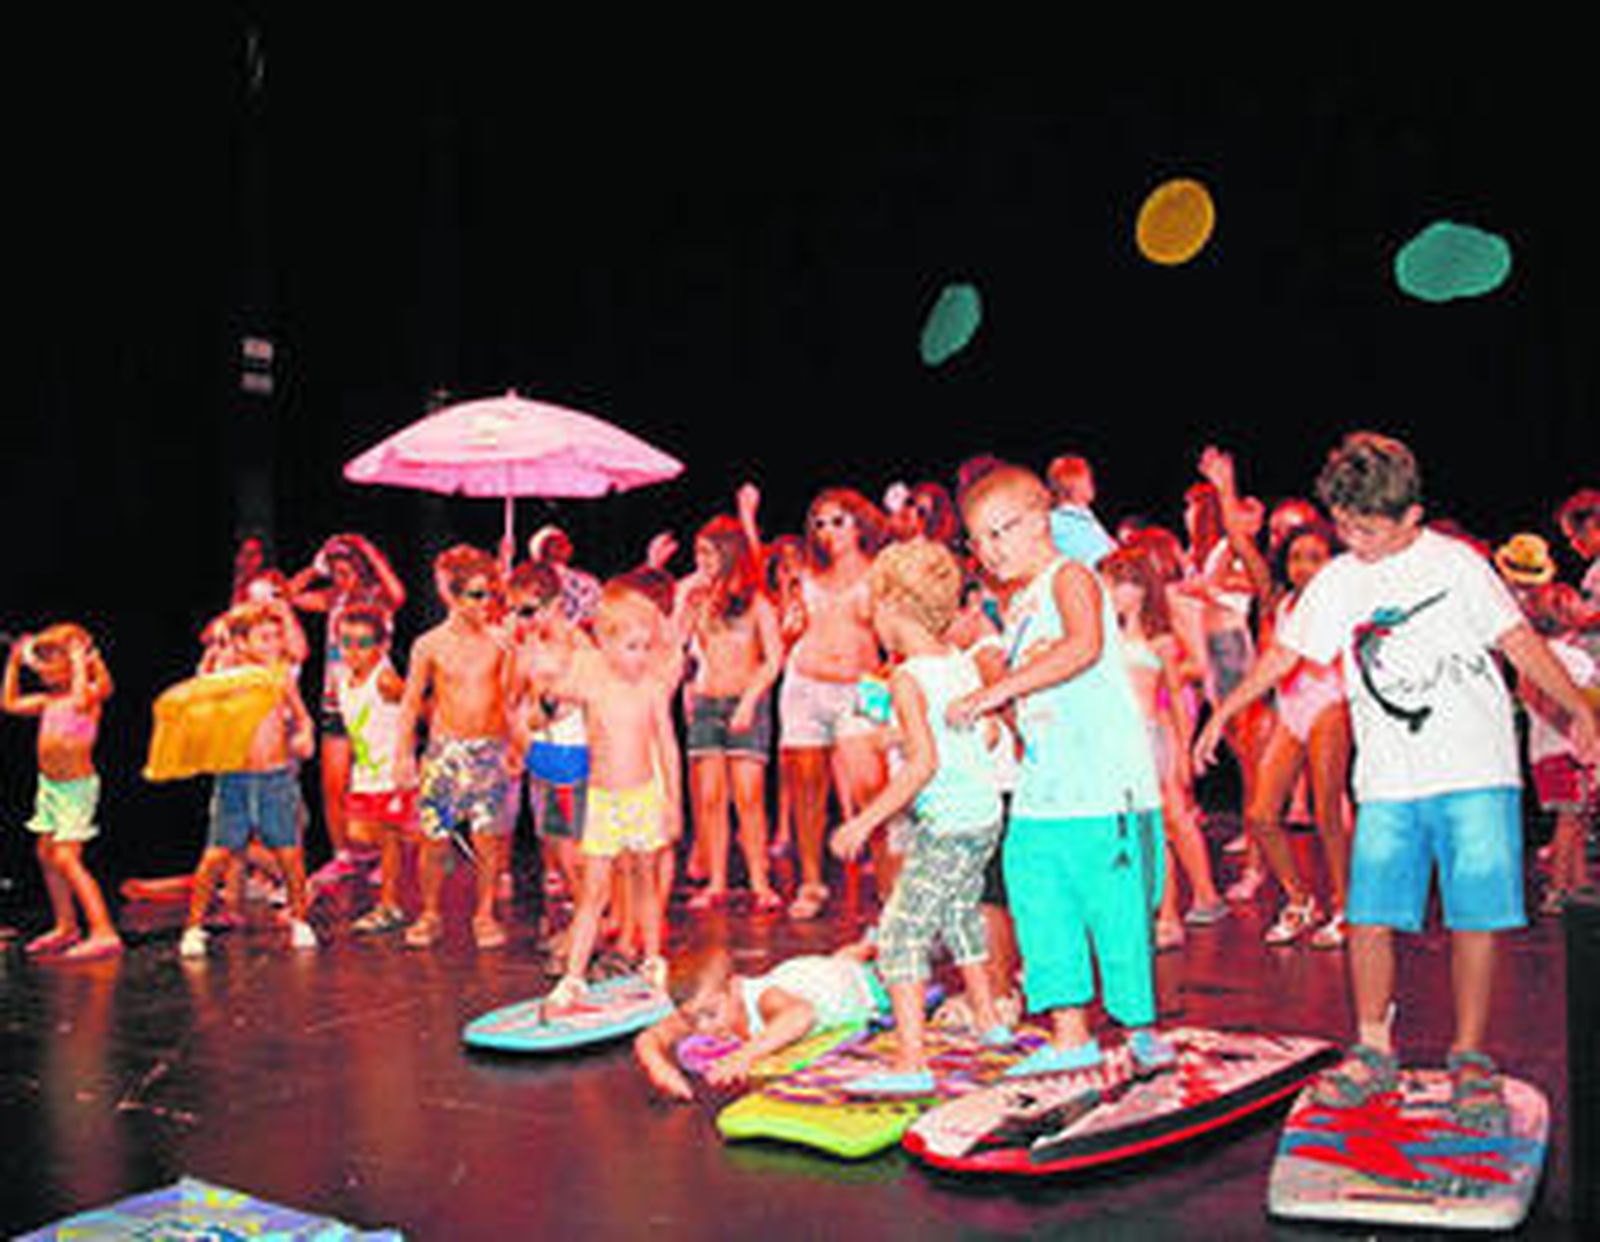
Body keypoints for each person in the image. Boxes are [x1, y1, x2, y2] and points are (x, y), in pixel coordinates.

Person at [1195, 432, 1600, 1131]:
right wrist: (1227, 709)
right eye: (1344, 526)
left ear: (1411, 516)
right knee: (1369, 914)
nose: (1354, 540)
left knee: (1477, 917)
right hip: (1388, 779)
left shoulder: (1459, 567)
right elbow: (1284, 654)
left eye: (1368, 529)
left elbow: (1518, 641)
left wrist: (1578, 710)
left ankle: (1470, 1054)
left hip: (1475, 772)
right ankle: (1373, 1047)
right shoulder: (1340, 579)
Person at [951, 463, 1173, 1077]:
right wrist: (1003, 713)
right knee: (1041, 905)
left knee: (1117, 913)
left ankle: (1141, 1030)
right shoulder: (1018, 604)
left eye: (1001, 531)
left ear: (1040, 520)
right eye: (979, 539)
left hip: (1105, 792)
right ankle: (1069, 1033)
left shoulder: (1071, 577)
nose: (990, 550)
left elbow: (1083, 647)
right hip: (1043, 793)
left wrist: (997, 691)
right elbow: (1038, 696)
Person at [826, 538, 1014, 1092]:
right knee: (958, 912)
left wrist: (865, 820)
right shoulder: (959, 662)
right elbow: (982, 729)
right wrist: (900, 735)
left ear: (894, 608)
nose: (873, 622)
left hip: (949, 825)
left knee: (900, 936)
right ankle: (988, 1018)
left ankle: (910, 1064)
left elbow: (924, 764)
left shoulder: (907, 678)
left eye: (875, 610)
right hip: (983, 818)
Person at [1202, 447, 1350, 948]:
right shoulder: (1277, 600)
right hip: (1291, 711)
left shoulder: (1341, 600)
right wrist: (1224, 486)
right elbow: (1242, 543)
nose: (1304, 566)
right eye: (1296, 558)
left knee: (1328, 812)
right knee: (1262, 815)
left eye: (1315, 558)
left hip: (1330, 706)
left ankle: (1343, 906)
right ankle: (1300, 898)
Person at [537, 580, 683, 1003]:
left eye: (646, 647)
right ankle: (573, 977)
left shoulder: (652, 688)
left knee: (644, 880)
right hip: (603, 801)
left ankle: (653, 960)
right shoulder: (592, 682)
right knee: (594, 891)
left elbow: (667, 747)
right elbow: (551, 691)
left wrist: (672, 802)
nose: (641, 656)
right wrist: (549, 676)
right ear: (606, 644)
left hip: (642, 797)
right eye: (632, 647)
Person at [1099, 545, 1224, 951]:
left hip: (1146, 737)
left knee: (1157, 830)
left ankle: (1168, 914)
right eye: (1111, 583)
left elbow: (1175, 699)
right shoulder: (1102, 638)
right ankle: (1139, 913)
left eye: (1123, 583)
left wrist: (1183, 751)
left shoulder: (1160, 641)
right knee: (1125, 832)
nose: (1114, 592)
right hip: (1111, 741)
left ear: (1141, 589)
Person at [179, 603, 318, 957]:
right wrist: (217, 654)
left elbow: (303, 717)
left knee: (289, 853)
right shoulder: (227, 677)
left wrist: (304, 734)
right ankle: (193, 927)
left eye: (277, 636)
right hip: (235, 779)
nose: (275, 644)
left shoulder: (281, 677)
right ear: (243, 643)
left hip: (276, 777)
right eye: (264, 638)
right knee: (216, 854)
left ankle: (300, 920)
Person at [394, 545, 515, 951]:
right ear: (454, 595)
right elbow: (411, 702)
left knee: (488, 839)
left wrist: (516, 743)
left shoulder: (501, 643)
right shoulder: (429, 644)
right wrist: (403, 754)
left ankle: (485, 913)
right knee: (434, 839)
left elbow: (512, 698)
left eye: (491, 595)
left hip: (489, 751)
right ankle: (430, 912)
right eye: (476, 595)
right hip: (445, 752)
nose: (485, 604)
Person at [776, 487, 889, 919]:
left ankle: (888, 884)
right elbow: (791, 630)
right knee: (806, 785)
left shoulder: (879, 573)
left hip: (858, 688)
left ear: (859, 524)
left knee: (871, 789)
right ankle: (811, 882)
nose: (828, 531)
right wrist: (790, 621)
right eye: (819, 523)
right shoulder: (806, 575)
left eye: (838, 521)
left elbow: (891, 635)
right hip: (804, 684)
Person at [676, 513, 784, 911]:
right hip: (706, 703)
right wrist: (684, 607)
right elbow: (677, 647)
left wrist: (750, 700)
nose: (701, 561)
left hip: (745, 704)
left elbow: (774, 659)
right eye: (698, 553)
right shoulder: (699, 600)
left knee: (749, 796)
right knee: (709, 798)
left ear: (728, 554)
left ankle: (759, 882)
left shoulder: (757, 602)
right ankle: (717, 881)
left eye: (708, 553)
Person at [289, 533, 405, 890]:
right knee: (333, 783)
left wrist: (368, 550)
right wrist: (316, 567)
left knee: (379, 781)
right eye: (335, 573)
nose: (341, 580)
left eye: (346, 572)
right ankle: (344, 856)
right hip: (336, 700)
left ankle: (384, 855)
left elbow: (399, 593)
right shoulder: (333, 599)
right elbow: (290, 595)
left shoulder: (377, 598)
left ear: (361, 570)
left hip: (375, 701)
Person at [634, 939, 888, 1101]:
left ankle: (857, 957)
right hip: (809, 974)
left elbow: (802, 1016)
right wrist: (660, 1067)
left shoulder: (766, 1000)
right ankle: (845, 957)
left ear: (734, 987)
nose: (704, 1028)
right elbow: (649, 1038)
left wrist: (744, 1056)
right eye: (692, 1020)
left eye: (710, 1014)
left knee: (881, 977)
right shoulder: (705, 1007)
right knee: (827, 969)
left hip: (859, 986)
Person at [3, 624, 121, 961]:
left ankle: (103, 931)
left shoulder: (89, 694)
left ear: (73, 662)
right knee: (45, 854)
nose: (42, 669)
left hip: (76, 789)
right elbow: (9, 703)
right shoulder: (48, 701)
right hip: (50, 788)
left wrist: (82, 659)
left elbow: (89, 694)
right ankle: (66, 925)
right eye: (41, 662)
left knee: (67, 858)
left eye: (51, 660)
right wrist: (14, 663)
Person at [507, 560, 589, 910]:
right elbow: (512, 700)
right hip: (546, 751)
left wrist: (550, 702)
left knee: (582, 842)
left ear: (554, 604)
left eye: (527, 611)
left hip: (579, 752)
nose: (520, 620)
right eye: (513, 611)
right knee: (557, 840)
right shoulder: (527, 647)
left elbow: (591, 696)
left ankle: (597, 915)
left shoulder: (578, 643)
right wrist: (518, 742)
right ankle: (583, 912)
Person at [1514, 581, 1597, 914]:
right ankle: (1559, 888)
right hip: (1571, 750)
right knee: (1571, 821)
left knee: (1574, 819)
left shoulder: (1535, 658)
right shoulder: (1571, 658)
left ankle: (1577, 883)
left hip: (1545, 751)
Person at [333, 606, 414, 934]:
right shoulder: (343, 680)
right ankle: (416, 841)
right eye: (346, 642)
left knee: (387, 837)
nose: (353, 651)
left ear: (382, 646)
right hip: (366, 773)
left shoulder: (385, 679)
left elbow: (417, 707)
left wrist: (407, 752)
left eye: (363, 643)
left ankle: (389, 906)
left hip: (390, 774)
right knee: (358, 835)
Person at [1046, 453, 1117, 568]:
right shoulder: (1056, 522)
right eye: (1088, 480)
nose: (1092, 486)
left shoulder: (1085, 516)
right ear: (1073, 485)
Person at [527, 524, 602, 628]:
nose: (562, 545)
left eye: (564, 542)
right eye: (553, 543)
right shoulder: (531, 584)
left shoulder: (587, 581)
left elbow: (594, 612)